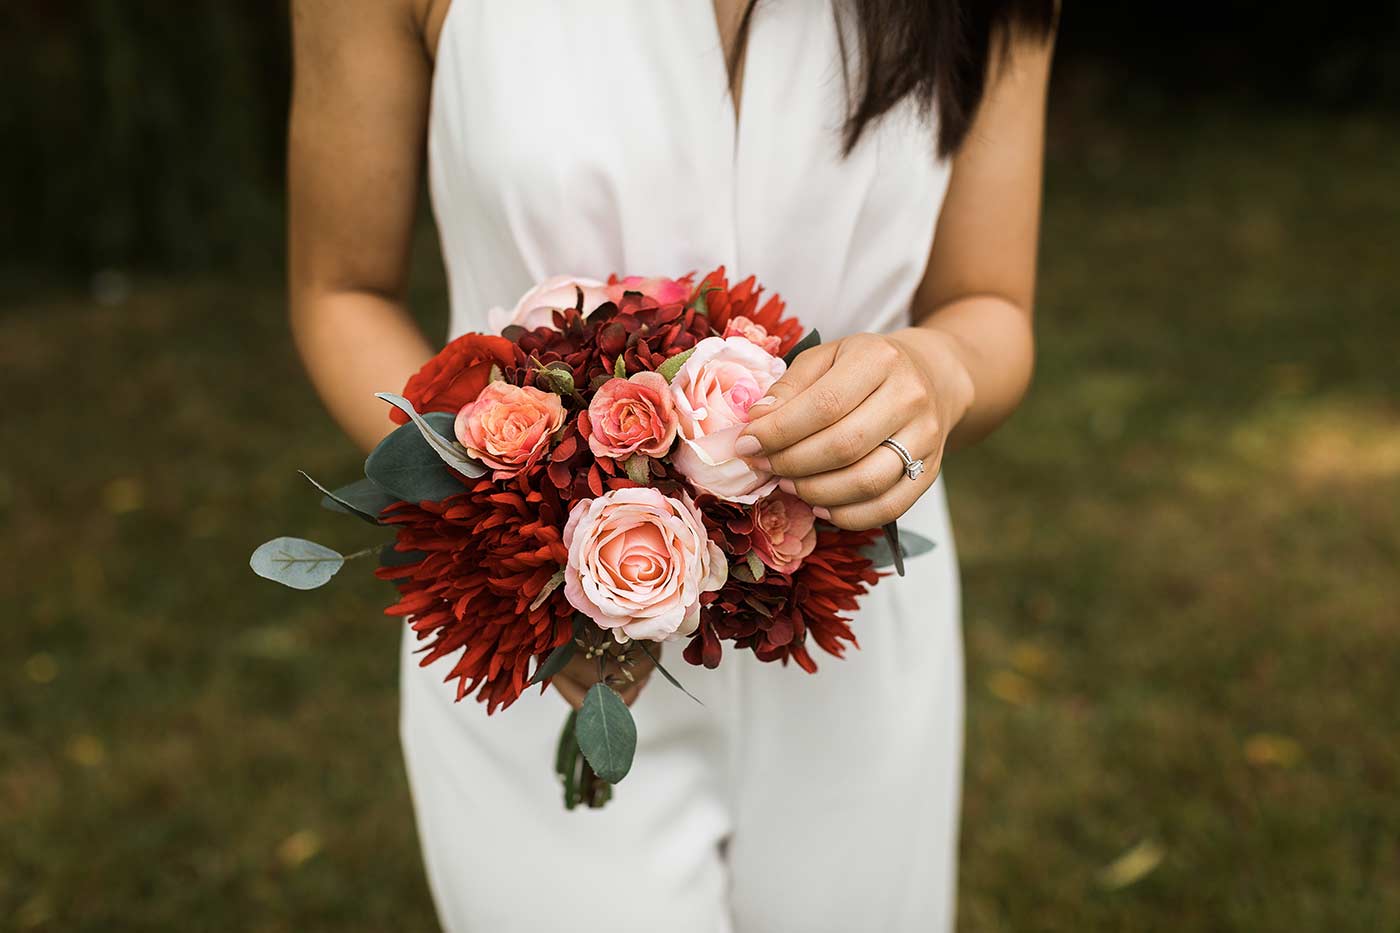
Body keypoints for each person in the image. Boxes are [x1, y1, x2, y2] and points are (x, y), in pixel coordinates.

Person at [287, 1, 1056, 929]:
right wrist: (497, 512)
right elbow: (341, 289)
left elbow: (990, 302)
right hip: (540, 639)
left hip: (849, 622)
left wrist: (938, 372)